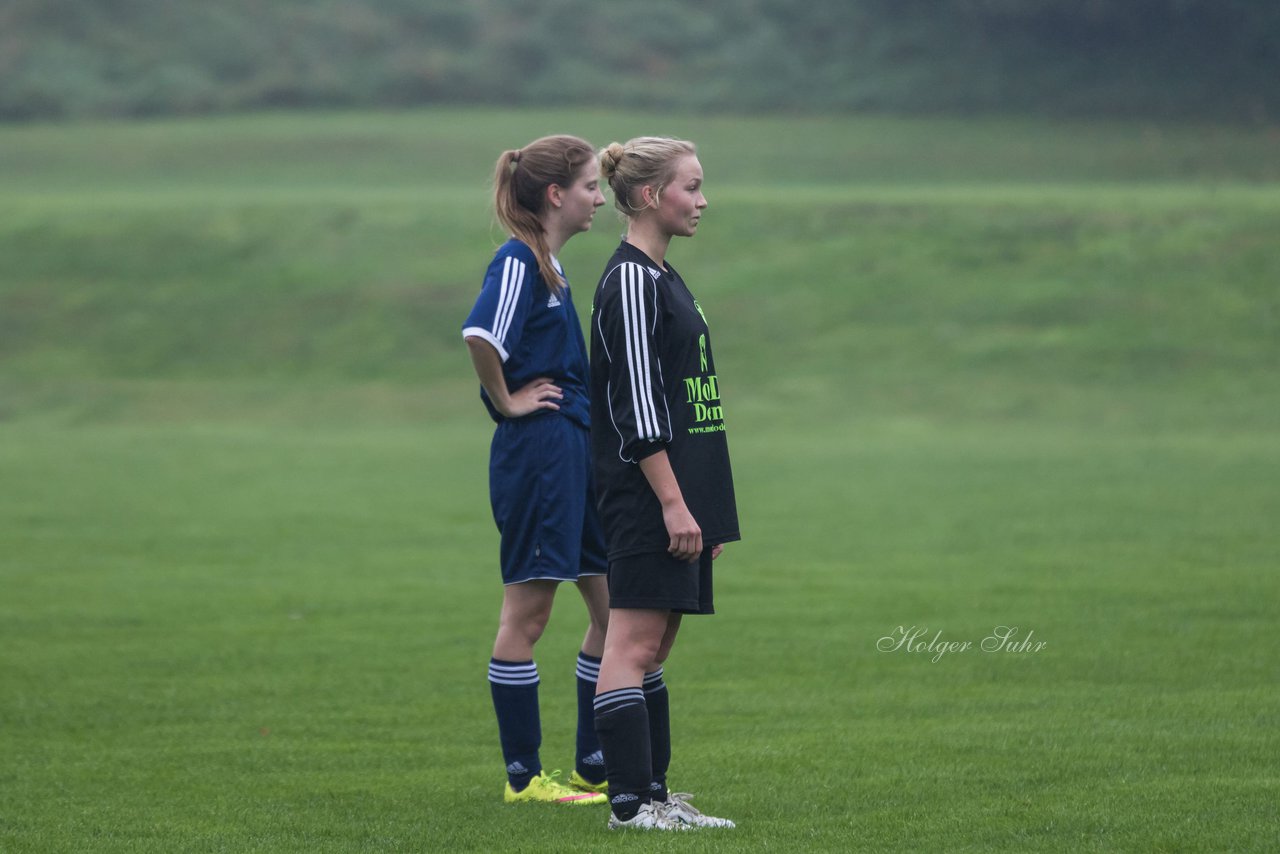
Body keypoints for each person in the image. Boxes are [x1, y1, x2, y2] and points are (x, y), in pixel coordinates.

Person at [588, 137, 740, 831]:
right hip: (647, 495)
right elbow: (639, 407)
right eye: (692, 186)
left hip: (682, 495)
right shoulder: (628, 280)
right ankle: (628, 807)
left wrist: (704, 509)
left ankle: (654, 794)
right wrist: (674, 502)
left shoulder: (664, 277)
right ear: (651, 196)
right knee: (631, 644)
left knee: (657, 647)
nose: (703, 200)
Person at [461, 135, 612, 806]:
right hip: (540, 452)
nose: (598, 199)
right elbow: (480, 336)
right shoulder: (519, 259)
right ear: (556, 195)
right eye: (589, 186)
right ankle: (524, 780)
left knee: (615, 608)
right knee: (528, 614)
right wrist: (507, 399)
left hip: (573, 448)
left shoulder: (550, 265)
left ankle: (594, 765)